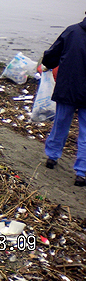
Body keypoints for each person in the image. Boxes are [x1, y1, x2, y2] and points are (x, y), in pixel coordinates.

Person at [42, 13, 86, 187]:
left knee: (61, 123)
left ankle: (52, 157)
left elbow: (52, 54)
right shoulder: (72, 31)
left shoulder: (72, 31)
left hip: (68, 86)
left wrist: (48, 64)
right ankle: (82, 173)